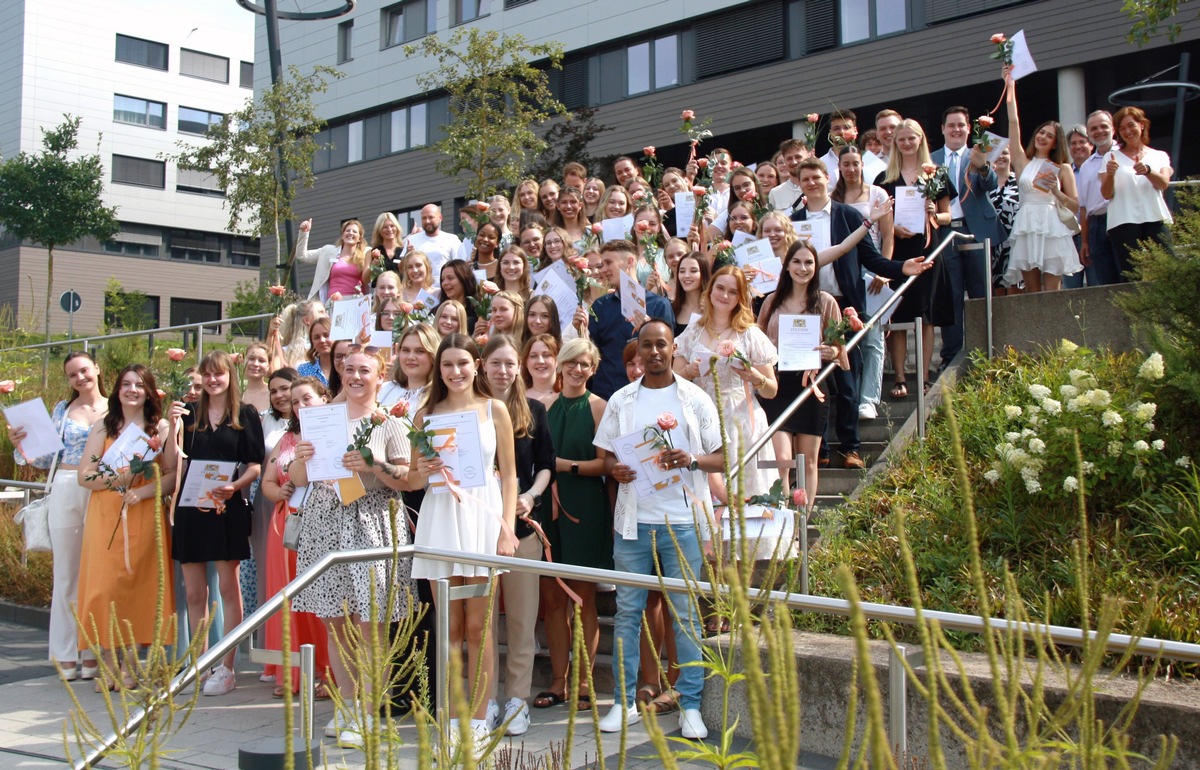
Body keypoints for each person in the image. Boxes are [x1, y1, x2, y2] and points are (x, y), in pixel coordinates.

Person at [594, 319, 724, 740]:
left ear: (672, 348)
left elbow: (722, 458)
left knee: (685, 616)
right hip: (633, 523)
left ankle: (689, 705)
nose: (653, 352)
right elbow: (605, 458)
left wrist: (691, 459)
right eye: (646, 345)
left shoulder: (695, 398)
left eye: (661, 345)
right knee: (628, 613)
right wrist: (617, 470)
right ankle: (624, 702)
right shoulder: (621, 400)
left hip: (682, 521)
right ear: (638, 352)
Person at [288, 349, 414, 748]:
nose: (356, 376)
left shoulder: (391, 422)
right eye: (350, 369)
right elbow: (297, 476)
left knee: (372, 622)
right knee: (336, 620)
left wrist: (373, 465)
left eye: (365, 370)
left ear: (381, 377)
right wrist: (302, 459)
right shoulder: (322, 419)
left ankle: (368, 711)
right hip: (325, 520)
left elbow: (408, 480)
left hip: (371, 521)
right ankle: (346, 703)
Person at [409, 334, 519, 751]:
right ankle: (452, 715)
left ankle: (477, 717)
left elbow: (508, 474)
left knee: (479, 625)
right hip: (441, 517)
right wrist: (424, 465)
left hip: (482, 519)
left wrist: (506, 528)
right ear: (439, 370)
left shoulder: (496, 410)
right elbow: (417, 481)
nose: (455, 372)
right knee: (449, 626)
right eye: (447, 365)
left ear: (476, 365)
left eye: (462, 363)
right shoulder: (426, 415)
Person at [794, 156, 930, 467]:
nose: (812, 183)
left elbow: (870, 258)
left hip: (844, 305)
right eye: (805, 179)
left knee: (846, 378)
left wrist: (901, 268)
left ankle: (850, 447)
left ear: (828, 178)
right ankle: (823, 451)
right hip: (809, 307)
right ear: (800, 185)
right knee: (812, 379)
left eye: (817, 177)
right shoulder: (793, 220)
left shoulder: (848, 215)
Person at [167, 351, 264, 696]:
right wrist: (171, 427)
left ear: (229, 376)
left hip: (226, 507)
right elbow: (170, 461)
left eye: (218, 374)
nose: (212, 380)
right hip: (191, 508)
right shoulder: (189, 414)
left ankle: (226, 666)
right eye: (207, 375)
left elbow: (255, 464)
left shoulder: (246, 414)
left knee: (227, 587)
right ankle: (200, 663)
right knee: (194, 592)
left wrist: (235, 486)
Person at [7, 351, 106, 681]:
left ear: (97, 370)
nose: (80, 378)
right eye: (72, 374)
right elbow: (41, 458)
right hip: (65, 485)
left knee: (98, 574)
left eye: (84, 370)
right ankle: (64, 651)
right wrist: (20, 443)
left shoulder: (115, 408)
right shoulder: (63, 411)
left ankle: (91, 650)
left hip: (103, 489)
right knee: (66, 574)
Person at [76, 364, 175, 691]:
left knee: (137, 586)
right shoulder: (104, 427)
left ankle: (132, 664)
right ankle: (107, 661)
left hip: (143, 513)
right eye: (126, 384)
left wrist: (143, 489)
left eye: (139, 385)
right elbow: (85, 477)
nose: (132, 390)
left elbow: (173, 475)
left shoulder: (159, 428)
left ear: (149, 391)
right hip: (106, 515)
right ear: (117, 390)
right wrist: (121, 475)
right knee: (105, 589)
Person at [479, 335, 555, 736]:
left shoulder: (535, 411)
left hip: (523, 529)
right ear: (483, 365)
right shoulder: (470, 410)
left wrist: (530, 495)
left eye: (510, 363)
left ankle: (517, 701)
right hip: (477, 531)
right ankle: (486, 699)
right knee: (483, 622)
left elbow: (546, 464)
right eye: (496, 363)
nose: (503, 370)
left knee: (523, 622)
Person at [539, 338, 609, 712]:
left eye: (585, 364)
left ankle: (585, 680)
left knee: (583, 598)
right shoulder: (545, 406)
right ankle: (557, 680)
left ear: (593, 368)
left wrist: (566, 466)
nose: (577, 369)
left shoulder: (600, 407)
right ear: (561, 365)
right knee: (552, 600)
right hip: (547, 508)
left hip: (585, 506)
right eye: (572, 363)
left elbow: (606, 465)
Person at [674, 265, 779, 502]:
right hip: (700, 418)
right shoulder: (692, 331)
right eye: (720, 288)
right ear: (709, 291)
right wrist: (689, 371)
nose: (724, 295)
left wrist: (754, 376)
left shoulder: (750, 334)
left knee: (745, 493)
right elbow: (673, 377)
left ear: (740, 298)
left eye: (733, 292)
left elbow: (772, 391)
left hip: (741, 419)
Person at [257, 372, 332, 699]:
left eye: (307, 399)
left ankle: (329, 671)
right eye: (296, 401)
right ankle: (291, 671)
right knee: (286, 595)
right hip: (286, 523)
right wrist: (279, 490)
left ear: (324, 400)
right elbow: (267, 482)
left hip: (323, 519)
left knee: (320, 597)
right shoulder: (287, 440)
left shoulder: (333, 433)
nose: (300, 405)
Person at [757, 240, 848, 503]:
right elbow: (758, 341)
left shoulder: (826, 302)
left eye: (809, 262)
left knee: (808, 463)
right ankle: (785, 525)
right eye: (796, 261)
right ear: (786, 267)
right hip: (777, 386)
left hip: (812, 386)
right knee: (782, 462)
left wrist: (832, 352)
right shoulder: (771, 302)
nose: (803, 267)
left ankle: (802, 527)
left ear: (816, 267)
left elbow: (840, 353)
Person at [875, 122, 954, 396]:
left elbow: (948, 217)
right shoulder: (884, 178)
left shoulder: (937, 175)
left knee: (926, 316)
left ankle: (922, 378)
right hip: (897, 253)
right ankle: (899, 378)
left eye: (912, 138)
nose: (907, 143)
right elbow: (877, 219)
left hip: (927, 250)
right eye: (902, 139)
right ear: (895, 142)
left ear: (921, 140)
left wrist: (933, 213)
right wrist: (892, 227)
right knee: (897, 316)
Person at [931, 106, 1006, 367]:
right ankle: (951, 356)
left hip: (976, 231)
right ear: (942, 129)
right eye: (951, 125)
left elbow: (990, 184)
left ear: (968, 128)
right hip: (945, 231)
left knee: (981, 292)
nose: (956, 130)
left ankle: (988, 350)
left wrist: (982, 165)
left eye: (961, 125)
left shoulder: (978, 153)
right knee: (950, 296)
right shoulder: (931, 159)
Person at [1003, 69, 1083, 292]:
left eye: (1049, 136)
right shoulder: (1022, 161)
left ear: (1056, 143)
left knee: (1052, 290)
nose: (1042, 137)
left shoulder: (1063, 168)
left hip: (1051, 224)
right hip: (1027, 222)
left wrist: (1057, 192)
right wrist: (1010, 86)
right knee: (1031, 291)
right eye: (1041, 132)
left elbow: (1076, 205)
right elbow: (1013, 122)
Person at [832, 145, 892, 420]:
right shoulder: (835, 197)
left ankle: (869, 400)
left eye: (855, 163)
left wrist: (884, 270)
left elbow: (888, 236)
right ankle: (849, 398)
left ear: (862, 165)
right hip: (844, 273)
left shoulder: (877, 193)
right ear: (839, 167)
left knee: (872, 339)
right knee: (846, 340)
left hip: (872, 270)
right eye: (846, 164)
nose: (851, 168)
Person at [583, 240, 677, 400]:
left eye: (608, 263)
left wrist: (649, 330)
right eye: (601, 264)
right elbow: (593, 354)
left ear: (630, 262)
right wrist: (581, 330)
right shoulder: (600, 305)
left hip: (647, 394)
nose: (603, 270)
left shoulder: (659, 304)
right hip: (606, 395)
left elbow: (669, 355)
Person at [1100, 105, 1174, 280]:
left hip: (1154, 216)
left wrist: (1148, 170)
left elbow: (1163, 183)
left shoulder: (1158, 155)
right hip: (1123, 220)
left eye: (1131, 125)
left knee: (1167, 266)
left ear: (1141, 125)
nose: (1127, 131)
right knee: (1131, 273)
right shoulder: (1110, 158)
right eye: (1122, 128)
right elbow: (1106, 193)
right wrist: (1110, 174)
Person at [1077, 110, 1118, 285]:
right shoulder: (1086, 166)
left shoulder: (1125, 154)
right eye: (1094, 128)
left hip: (1120, 219)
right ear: (1089, 133)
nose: (1099, 131)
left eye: (1104, 126)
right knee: (1105, 280)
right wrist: (1085, 241)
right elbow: (1084, 207)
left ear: (1113, 129)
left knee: (1127, 276)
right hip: (1096, 224)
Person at [294, 218, 370, 301]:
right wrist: (304, 233)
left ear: (359, 238)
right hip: (333, 303)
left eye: (354, 231)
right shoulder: (328, 251)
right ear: (342, 235)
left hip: (358, 301)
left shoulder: (366, 253)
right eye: (347, 231)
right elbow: (302, 255)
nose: (350, 233)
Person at [378, 323, 437, 412]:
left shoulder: (439, 398)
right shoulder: (384, 389)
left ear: (433, 355)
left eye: (419, 351)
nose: (411, 357)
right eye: (406, 350)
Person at [988, 146, 1021, 294]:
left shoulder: (1019, 181)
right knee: (997, 292)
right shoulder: (985, 183)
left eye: (1005, 153)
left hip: (1015, 244)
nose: (1000, 156)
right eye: (997, 153)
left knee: (1016, 290)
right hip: (993, 246)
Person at [406, 204, 463, 282]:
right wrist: (407, 256)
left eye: (431, 217)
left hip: (445, 289)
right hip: (419, 290)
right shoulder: (412, 240)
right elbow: (402, 269)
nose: (427, 221)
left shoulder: (452, 239)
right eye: (424, 218)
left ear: (440, 218)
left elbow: (460, 266)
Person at [271, 299, 327, 369]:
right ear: (306, 320)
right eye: (321, 312)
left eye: (325, 312)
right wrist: (271, 334)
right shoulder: (286, 351)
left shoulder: (328, 346)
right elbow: (271, 371)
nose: (326, 316)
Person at [670, 252, 710, 337]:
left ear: (704, 274)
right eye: (682, 271)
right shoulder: (672, 309)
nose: (686, 275)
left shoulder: (713, 308)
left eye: (693, 271)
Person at [819, 109, 858, 190]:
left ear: (855, 130)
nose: (842, 132)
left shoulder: (866, 159)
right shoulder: (821, 164)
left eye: (846, 127)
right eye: (836, 128)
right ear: (830, 133)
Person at [769, 138, 810, 212]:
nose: (794, 162)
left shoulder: (820, 187)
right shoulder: (775, 193)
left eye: (798, 157)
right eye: (789, 159)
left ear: (808, 157)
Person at [439, 259, 480, 332]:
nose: (445, 283)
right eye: (442, 280)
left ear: (464, 279)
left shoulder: (478, 313)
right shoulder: (437, 311)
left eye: (450, 278)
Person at [522, 333, 561, 408]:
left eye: (546, 355)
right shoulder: (517, 399)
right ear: (526, 362)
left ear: (557, 360)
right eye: (533, 356)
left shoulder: (569, 397)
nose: (540, 361)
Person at [296, 316, 334, 386]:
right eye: (317, 337)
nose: (322, 340)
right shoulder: (304, 369)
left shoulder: (344, 366)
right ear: (312, 341)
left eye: (326, 335)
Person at [368, 212, 406, 282]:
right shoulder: (372, 252)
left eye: (392, 226)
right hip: (380, 291)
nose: (389, 229)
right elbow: (365, 279)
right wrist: (373, 266)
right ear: (379, 230)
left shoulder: (404, 251)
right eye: (385, 227)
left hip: (401, 290)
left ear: (397, 228)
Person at [242, 342, 271, 413]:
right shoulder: (235, 393)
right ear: (243, 360)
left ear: (268, 366)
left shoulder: (273, 393)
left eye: (261, 361)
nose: (255, 364)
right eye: (251, 359)